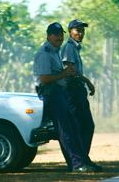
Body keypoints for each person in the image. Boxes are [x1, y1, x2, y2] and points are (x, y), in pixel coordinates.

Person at [33, 22, 97, 172]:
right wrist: (64, 74)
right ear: (49, 36)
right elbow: (44, 79)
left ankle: (79, 161)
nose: (59, 37)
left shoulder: (54, 51)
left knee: (72, 128)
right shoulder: (44, 53)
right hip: (51, 92)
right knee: (66, 129)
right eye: (55, 34)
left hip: (58, 91)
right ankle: (77, 164)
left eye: (60, 34)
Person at [60, 19, 102, 171]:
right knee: (80, 126)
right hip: (72, 90)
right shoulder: (69, 47)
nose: (81, 33)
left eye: (82, 30)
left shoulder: (75, 48)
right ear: (70, 32)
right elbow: (69, 70)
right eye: (77, 30)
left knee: (85, 126)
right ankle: (79, 162)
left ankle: (83, 159)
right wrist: (87, 81)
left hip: (77, 89)